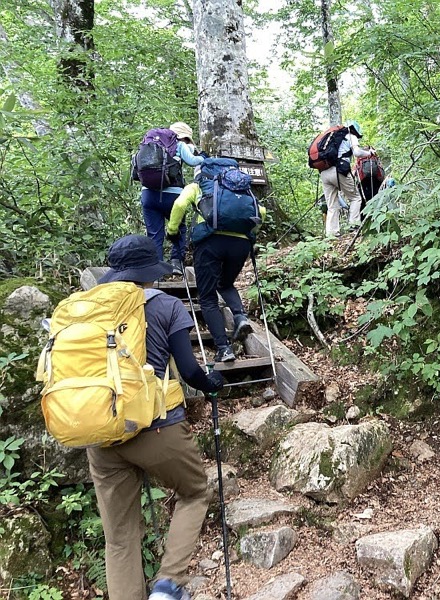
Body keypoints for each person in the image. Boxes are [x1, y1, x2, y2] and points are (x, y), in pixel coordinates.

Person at [87, 234, 225, 600]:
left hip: (100, 435)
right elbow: (190, 371)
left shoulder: (86, 308)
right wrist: (212, 382)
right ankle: (167, 586)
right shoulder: (166, 305)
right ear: (151, 271)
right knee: (195, 492)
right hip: (157, 428)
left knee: (119, 538)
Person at [165, 176, 266, 363]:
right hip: (241, 243)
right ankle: (239, 316)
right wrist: (250, 236)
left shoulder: (200, 184)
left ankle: (223, 348)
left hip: (210, 242)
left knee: (208, 297)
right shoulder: (241, 188)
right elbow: (261, 212)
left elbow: (179, 205)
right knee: (226, 284)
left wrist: (172, 231)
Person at [140, 122, 205, 274]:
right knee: (179, 228)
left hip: (149, 194)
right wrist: (204, 157)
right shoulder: (179, 145)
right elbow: (192, 161)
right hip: (173, 195)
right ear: (184, 137)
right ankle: (176, 263)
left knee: (154, 233)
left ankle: (157, 271)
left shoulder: (149, 144)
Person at [321, 120, 375, 237]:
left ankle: (332, 234)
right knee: (355, 198)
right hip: (339, 170)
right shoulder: (351, 136)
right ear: (355, 130)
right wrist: (369, 153)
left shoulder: (333, 138)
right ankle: (353, 227)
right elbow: (356, 152)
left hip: (324, 172)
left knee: (332, 205)